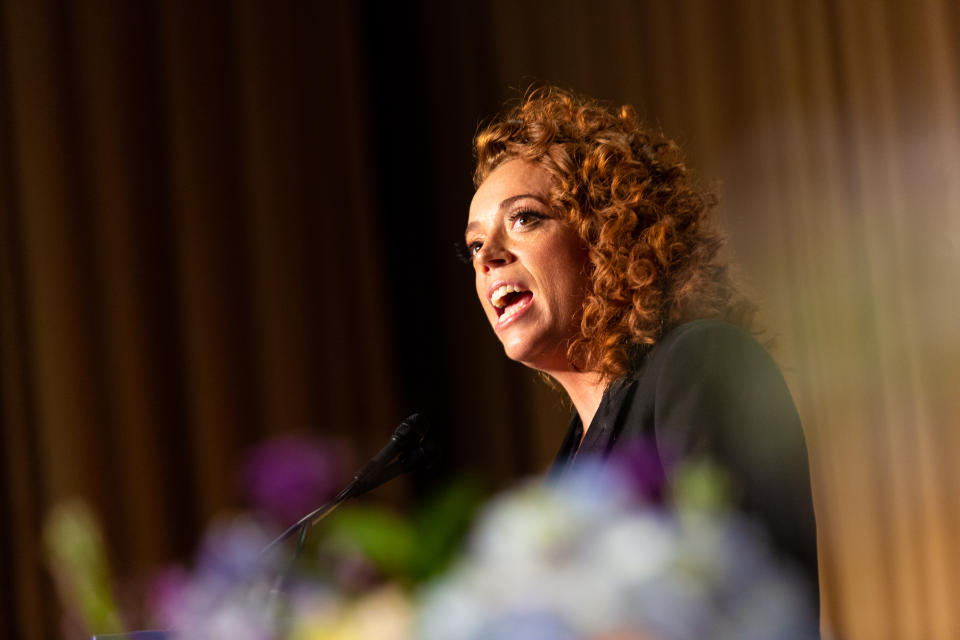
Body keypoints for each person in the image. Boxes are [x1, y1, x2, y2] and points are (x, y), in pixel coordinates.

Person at [463, 86, 819, 601]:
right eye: (474, 244)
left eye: (524, 218)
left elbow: (730, 592)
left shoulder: (701, 361)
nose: (488, 256)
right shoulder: (569, 466)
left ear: (608, 233)